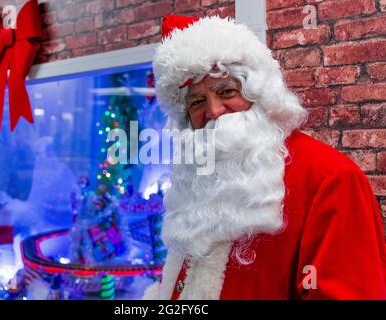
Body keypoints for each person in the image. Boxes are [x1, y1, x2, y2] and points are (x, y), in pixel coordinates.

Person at [143, 14, 386, 300]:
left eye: (227, 91)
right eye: (197, 101)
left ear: (258, 92)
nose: (214, 111)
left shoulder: (329, 180)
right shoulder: (200, 179)